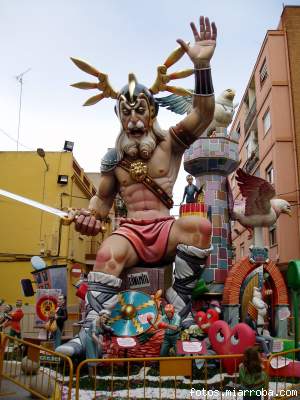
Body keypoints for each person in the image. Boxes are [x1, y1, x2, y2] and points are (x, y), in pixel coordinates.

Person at [57, 16, 217, 357]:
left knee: (199, 226)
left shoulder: (170, 143)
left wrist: (201, 66)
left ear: (152, 111)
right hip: (130, 231)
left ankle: (178, 306)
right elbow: (100, 203)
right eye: (125, 113)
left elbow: (204, 114)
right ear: (118, 116)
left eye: (139, 111)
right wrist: (89, 217)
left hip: (163, 226)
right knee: (105, 254)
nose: (132, 120)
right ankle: (91, 334)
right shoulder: (113, 160)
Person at [86, 310, 113, 375]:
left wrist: (112, 329)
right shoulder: (94, 323)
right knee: (91, 357)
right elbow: (93, 335)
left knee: (95, 356)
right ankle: (91, 375)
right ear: (100, 316)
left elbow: (106, 327)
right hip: (90, 340)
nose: (105, 319)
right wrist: (100, 343)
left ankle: (94, 374)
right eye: (104, 317)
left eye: (106, 318)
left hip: (95, 340)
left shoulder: (101, 323)